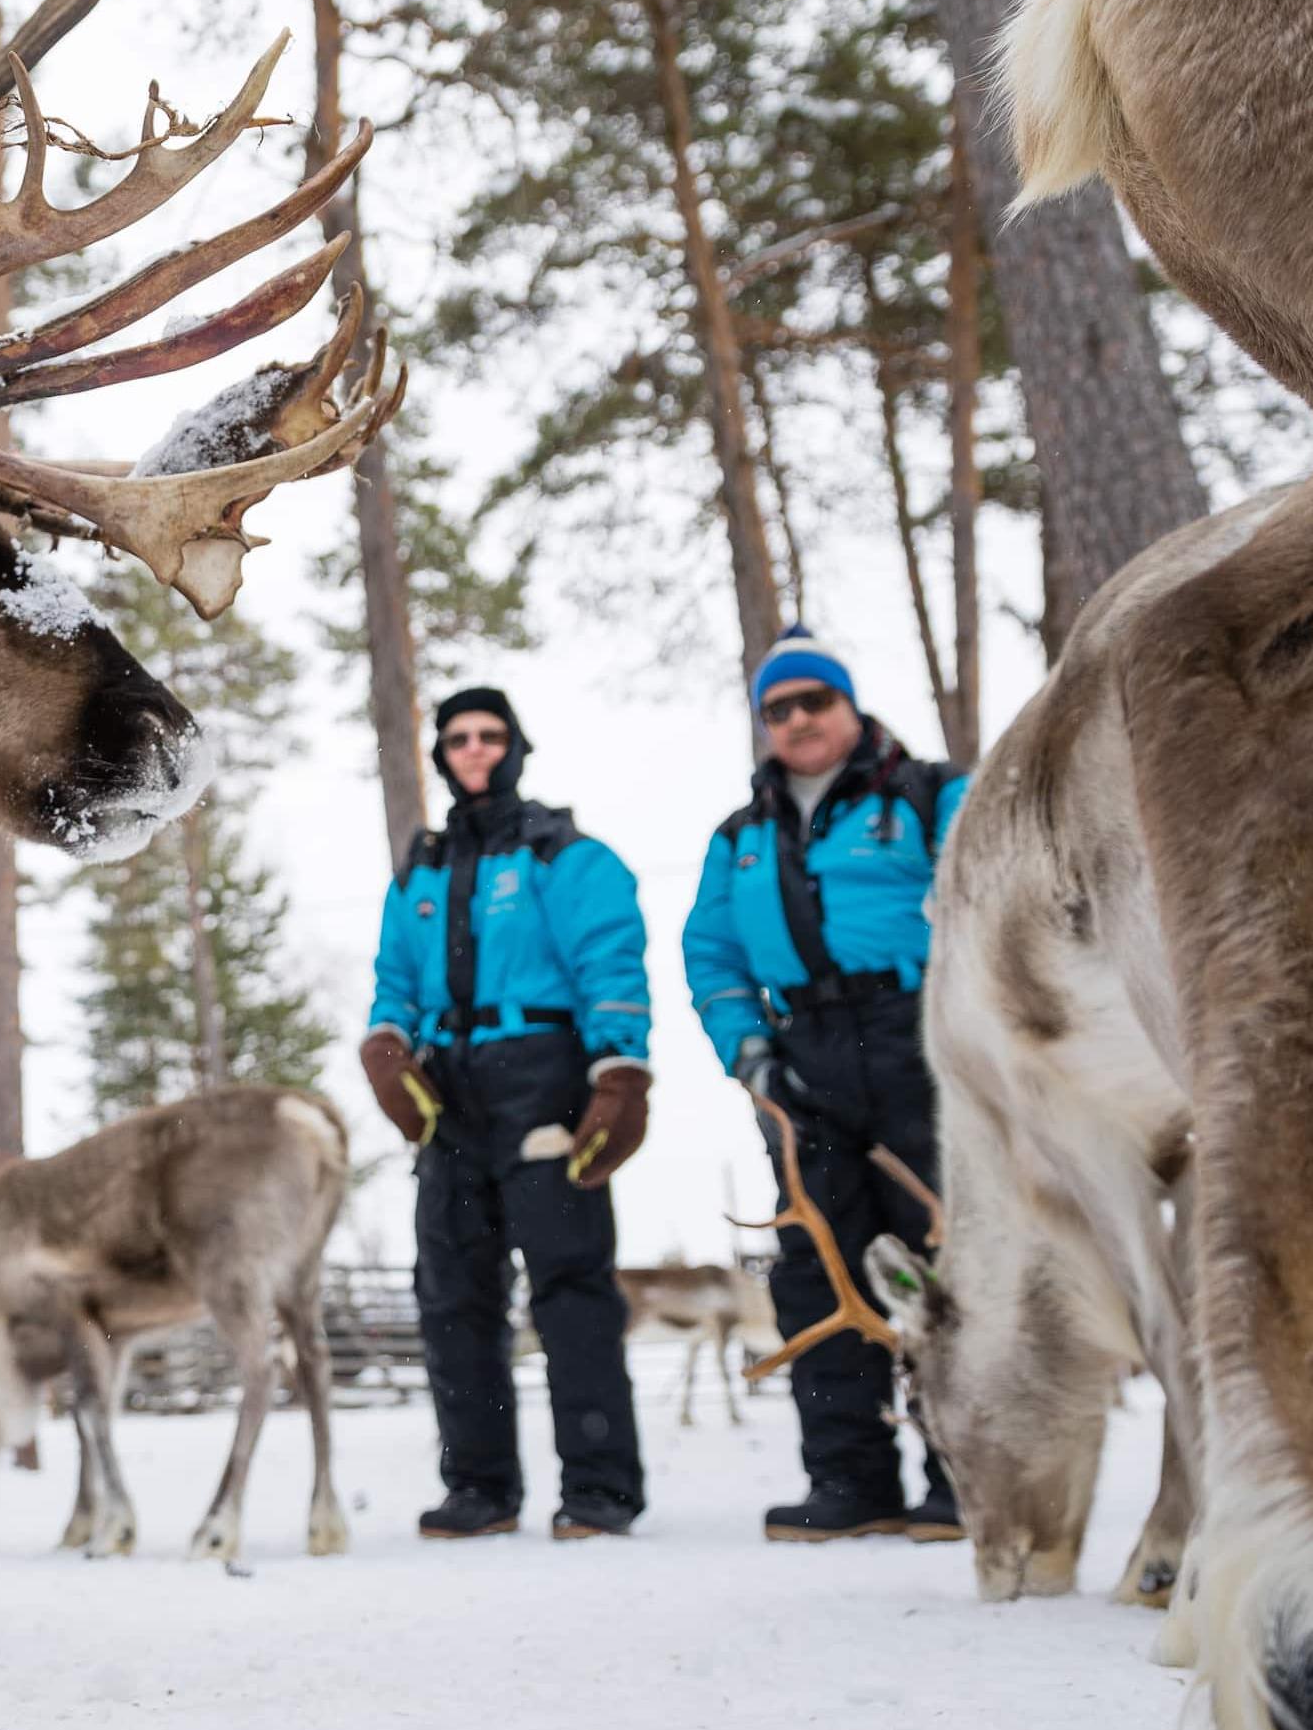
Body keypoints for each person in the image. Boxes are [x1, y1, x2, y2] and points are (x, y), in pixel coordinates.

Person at [680, 626, 968, 1544]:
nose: (797, 719)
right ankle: (850, 1479)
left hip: (923, 1043)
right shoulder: (740, 838)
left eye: (814, 701)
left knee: (947, 1256)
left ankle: (967, 1470)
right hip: (802, 1062)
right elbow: (712, 954)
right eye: (778, 708)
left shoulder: (931, 796)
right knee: (817, 1266)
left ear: (848, 705)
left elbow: (991, 906)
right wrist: (751, 1056)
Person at [359, 687, 655, 1543]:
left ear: (515, 747)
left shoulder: (563, 854)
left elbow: (609, 958)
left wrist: (618, 1070)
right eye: (457, 737)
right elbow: (393, 978)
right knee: (452, 1290)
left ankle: (599, 1487)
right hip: (448, 1087)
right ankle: (479, 1487)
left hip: (543, 1074)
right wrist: (385, 1043)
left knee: (568, 1285)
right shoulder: (420, 870)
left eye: (490, 735)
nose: (474, 748)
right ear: (442, 755)